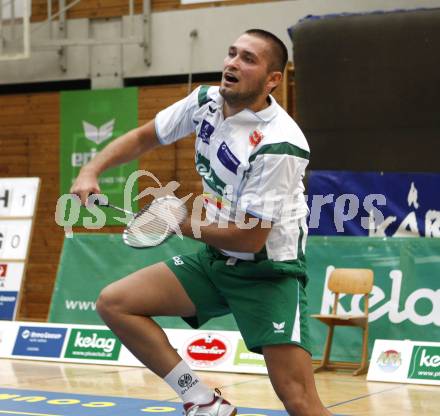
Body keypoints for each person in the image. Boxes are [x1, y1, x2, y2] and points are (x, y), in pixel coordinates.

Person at [70, 29, 331, 416]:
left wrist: (178, 220)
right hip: (214, 259)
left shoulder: (280, 144)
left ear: (273, 79)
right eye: (231, 53)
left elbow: (251, 239)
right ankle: (201, 399)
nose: (232, 63)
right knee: (115, 303)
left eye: (247, 59)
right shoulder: (206, 101)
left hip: (267, 273)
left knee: (299, 400)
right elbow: (145, 137)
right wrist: (91, 169)